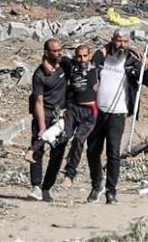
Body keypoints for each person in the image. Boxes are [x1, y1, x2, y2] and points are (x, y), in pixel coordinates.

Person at [86, 28, 148, 204]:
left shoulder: (132, 62)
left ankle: (111, 191)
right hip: (97, 112)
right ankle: (97, 185)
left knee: (113, 152)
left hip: (118, 114)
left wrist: (146, 67)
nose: (122, 45)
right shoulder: (103, 59)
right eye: (119, 40)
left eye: (125, 41)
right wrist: (103, 49)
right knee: (92, 151)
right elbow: (91, 64)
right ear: (112, 40)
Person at [27, 39, 68, 202]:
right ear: (46, 53)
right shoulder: (39, 74)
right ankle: (36, 186)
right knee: (37, 150)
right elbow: (38, 101)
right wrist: (42, 126)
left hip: (60, 116)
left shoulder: (64, 65)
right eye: (55, 51)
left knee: (58, 153)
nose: (59, 53)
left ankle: (46, 188)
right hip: (44, 114)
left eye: (60, 50)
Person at [60, 45, 100, 189]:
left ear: (89, 56)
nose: (82, 59)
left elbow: (107, 49)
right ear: (75, 56)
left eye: (85, 56)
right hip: (73, 109)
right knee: (63, 136)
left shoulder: (96, 68)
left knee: (78, 140)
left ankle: (69, 175)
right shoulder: (70, 65)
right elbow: (56, 56)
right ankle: (54, 168)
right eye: (79, 56)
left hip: (90, 112)